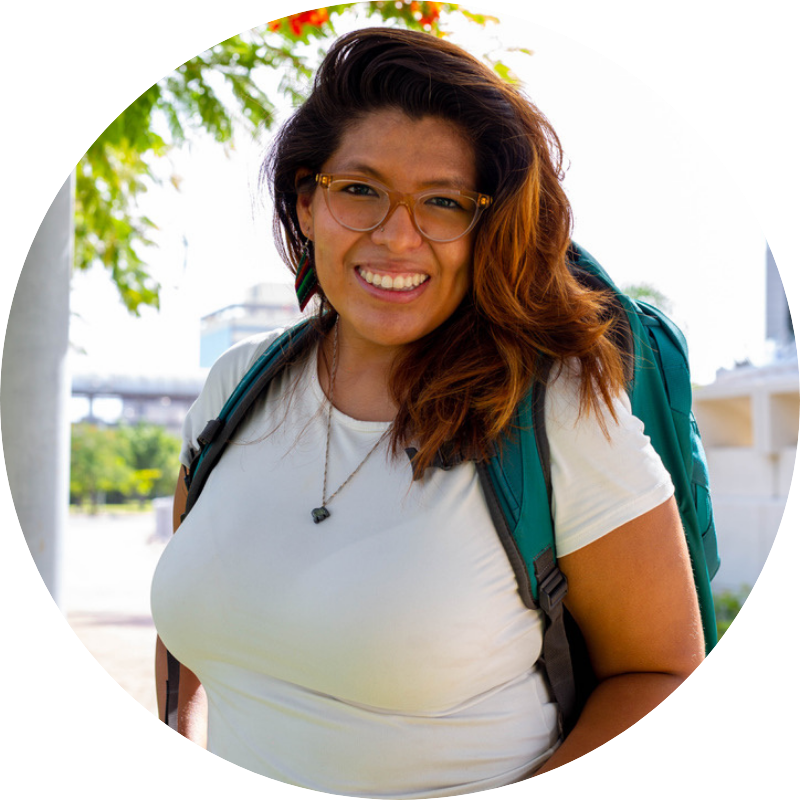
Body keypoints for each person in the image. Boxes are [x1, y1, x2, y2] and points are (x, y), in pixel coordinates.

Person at [151, 27, 704, 793]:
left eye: (443, 202)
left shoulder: (559, 408)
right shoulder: (237, 386)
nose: (397, 235)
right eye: (360, 190)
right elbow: (194, 614)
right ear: (308, 203)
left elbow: (661, 671)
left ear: (485, 232)